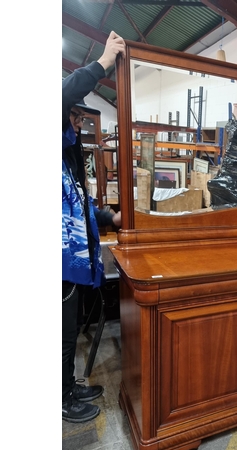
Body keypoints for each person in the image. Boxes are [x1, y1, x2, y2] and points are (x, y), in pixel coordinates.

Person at [62, 31, 126, 423]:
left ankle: (68, 386)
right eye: (74, 114)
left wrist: (109, 218)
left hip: (70, 257)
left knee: (68, 329)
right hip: (57, 259)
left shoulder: (68, 151)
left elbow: (78, 203)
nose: (78, 121)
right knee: (60, 333)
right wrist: (102, 64)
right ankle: (61, 398)